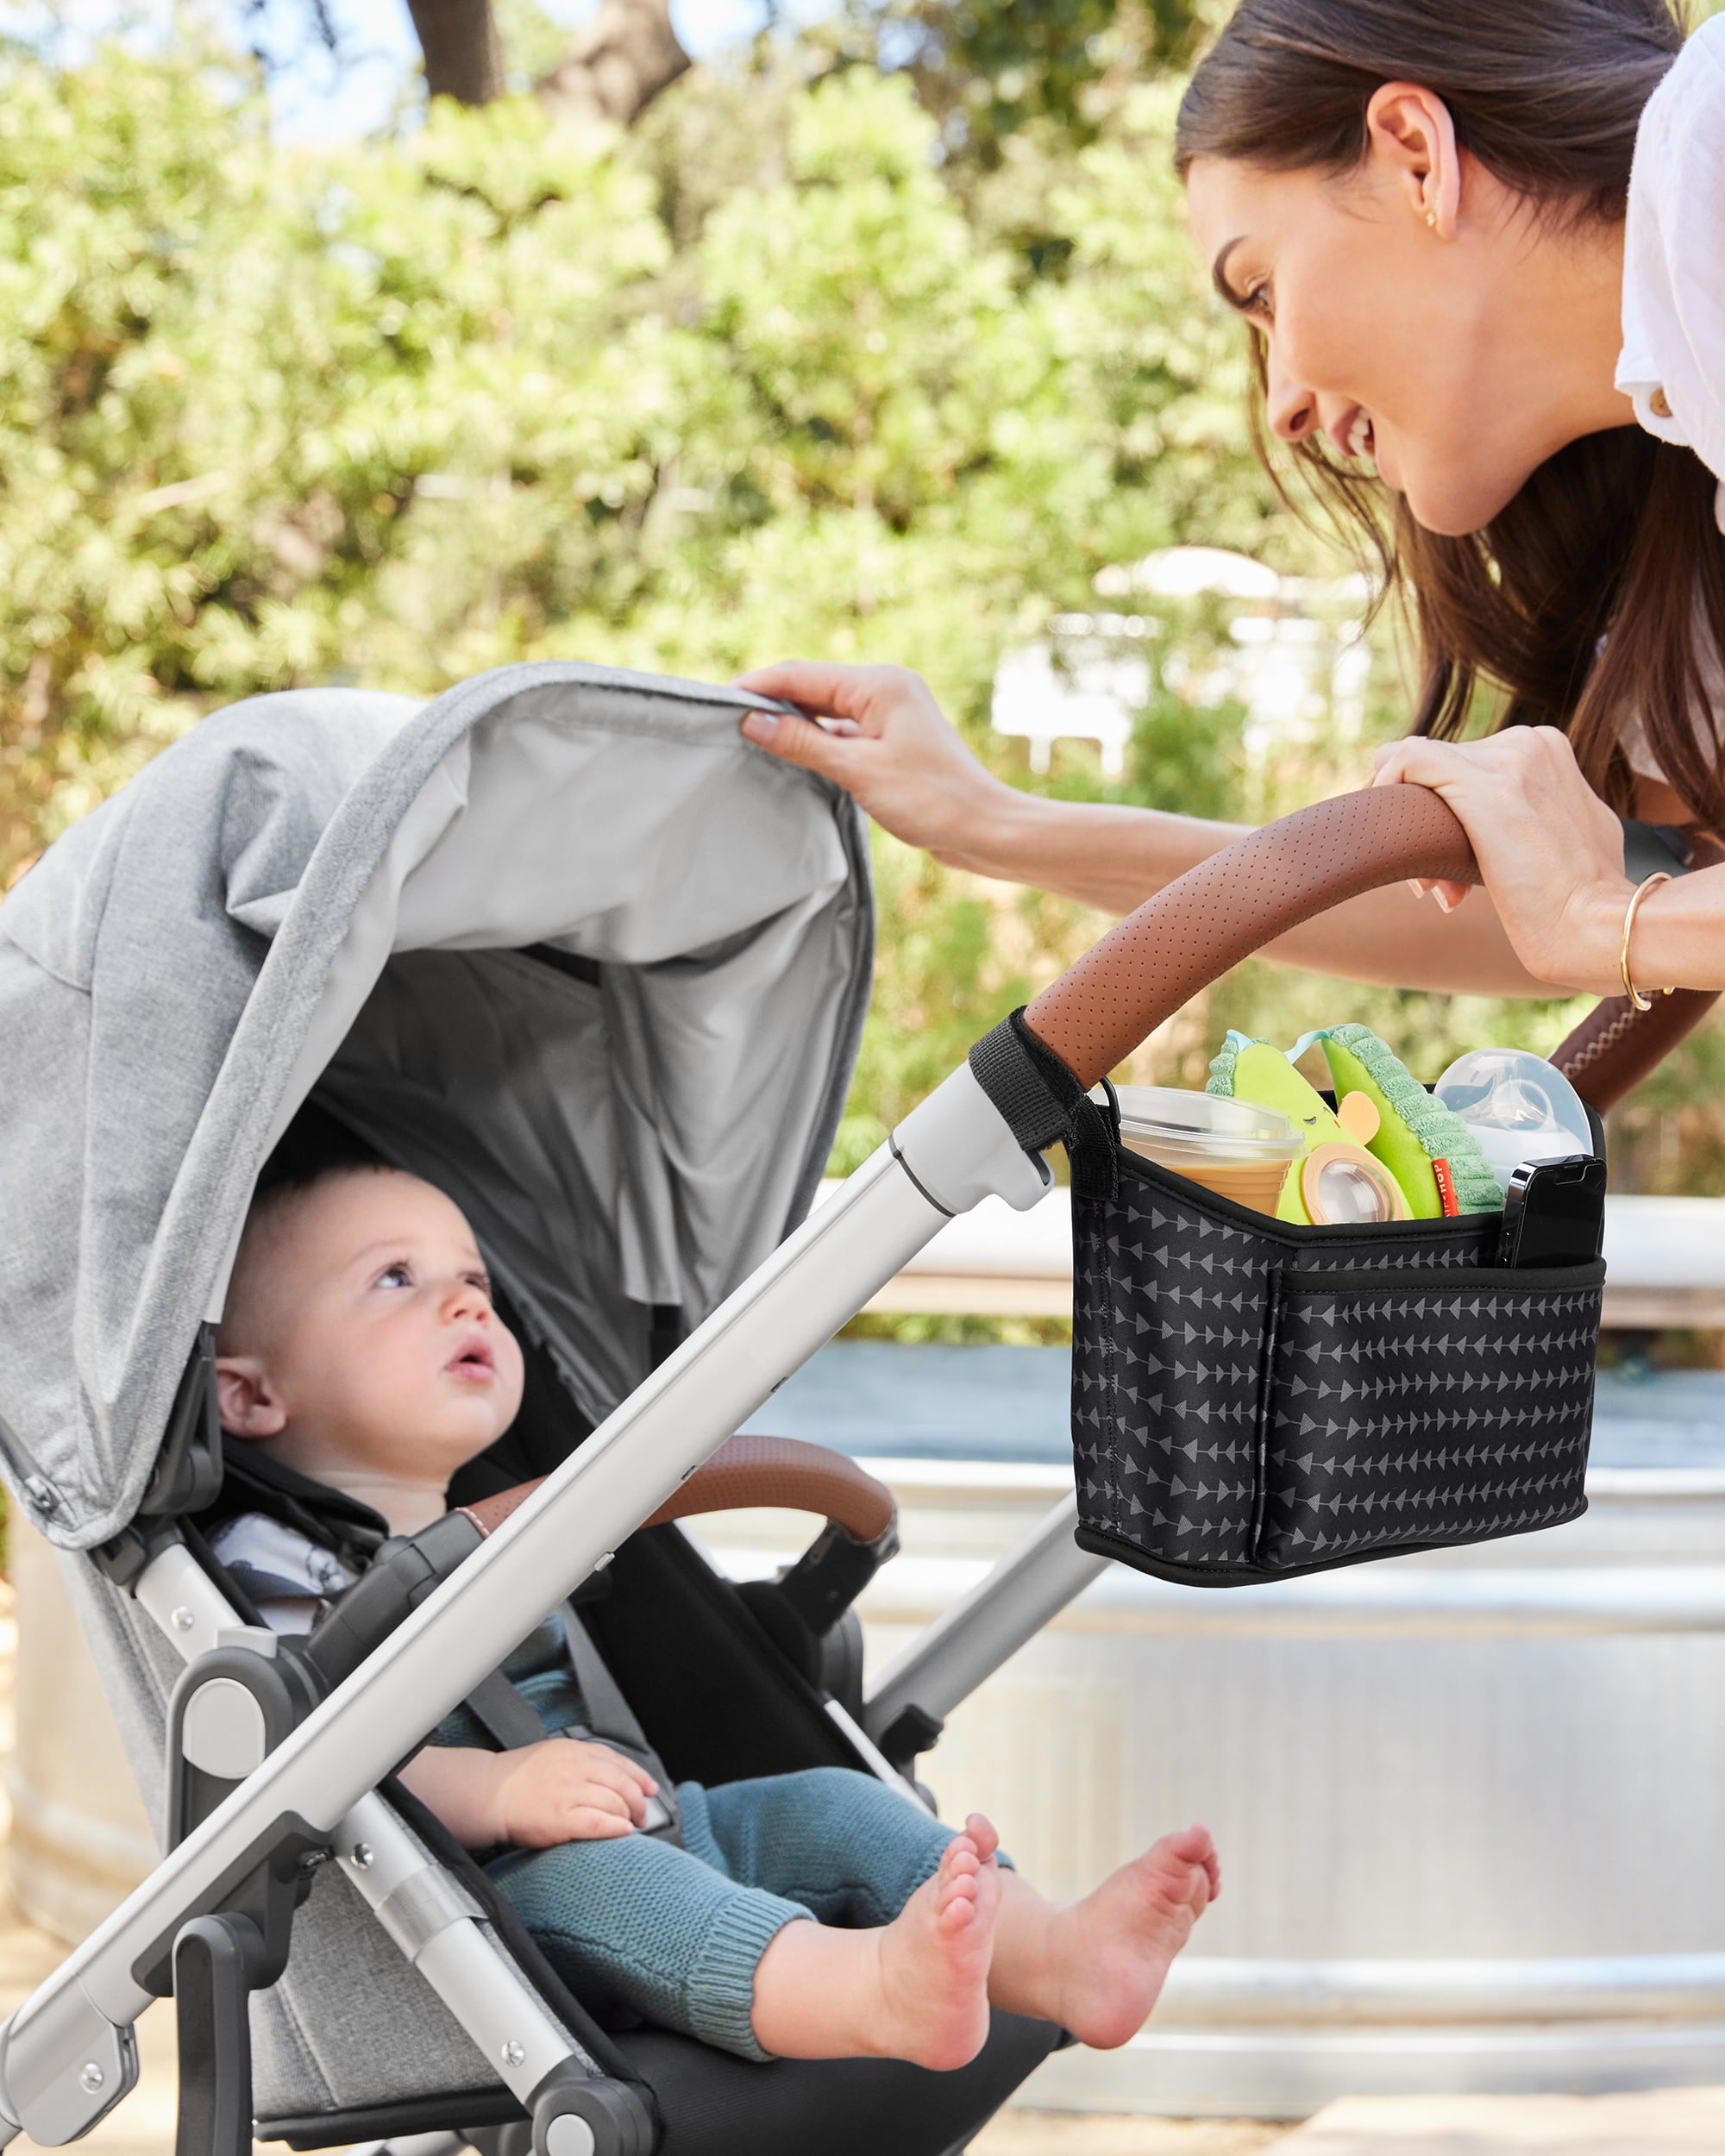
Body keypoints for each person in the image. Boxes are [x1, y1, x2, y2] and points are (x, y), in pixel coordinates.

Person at [734, 0, 1725, 1015]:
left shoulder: (1712, 144)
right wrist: (988, 823)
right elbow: (1555, 911)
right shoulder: (1688, 524)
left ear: (1414, 157)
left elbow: (1605, 914)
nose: (1283, 409)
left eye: (1258, 288)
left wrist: (1602, 921)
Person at [208, 1156, 1220, 2069]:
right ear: (250, 1398)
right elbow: (308, 1762)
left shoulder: (506, 1527)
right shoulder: (272, 1563)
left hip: (648, 1819)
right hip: (478, 1907)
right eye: (396, 1277)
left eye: (474, 1276)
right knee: (621, 1890)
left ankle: (1056, 1953)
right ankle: (874, 1993)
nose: (467, 1300)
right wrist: (500, 1789)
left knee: (834, 1806)